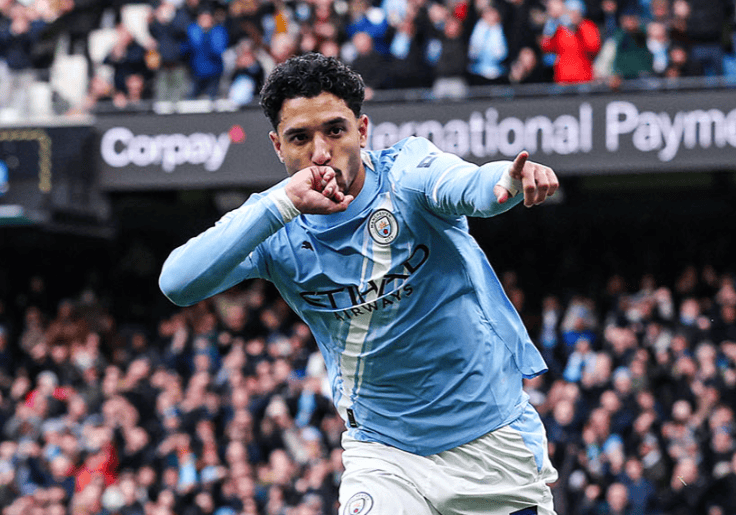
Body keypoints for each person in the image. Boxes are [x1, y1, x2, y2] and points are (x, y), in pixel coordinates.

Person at [159, 53, 560, 514]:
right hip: (384, 454)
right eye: (299, 138)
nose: (320, 153)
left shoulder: (407, 173)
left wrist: (507, 178)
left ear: (362, 130)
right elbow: (178, 282)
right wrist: (281, 203)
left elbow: (468, 185)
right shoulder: (274, 221)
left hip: (490, 444)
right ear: (277, 146)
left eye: (335, 130)